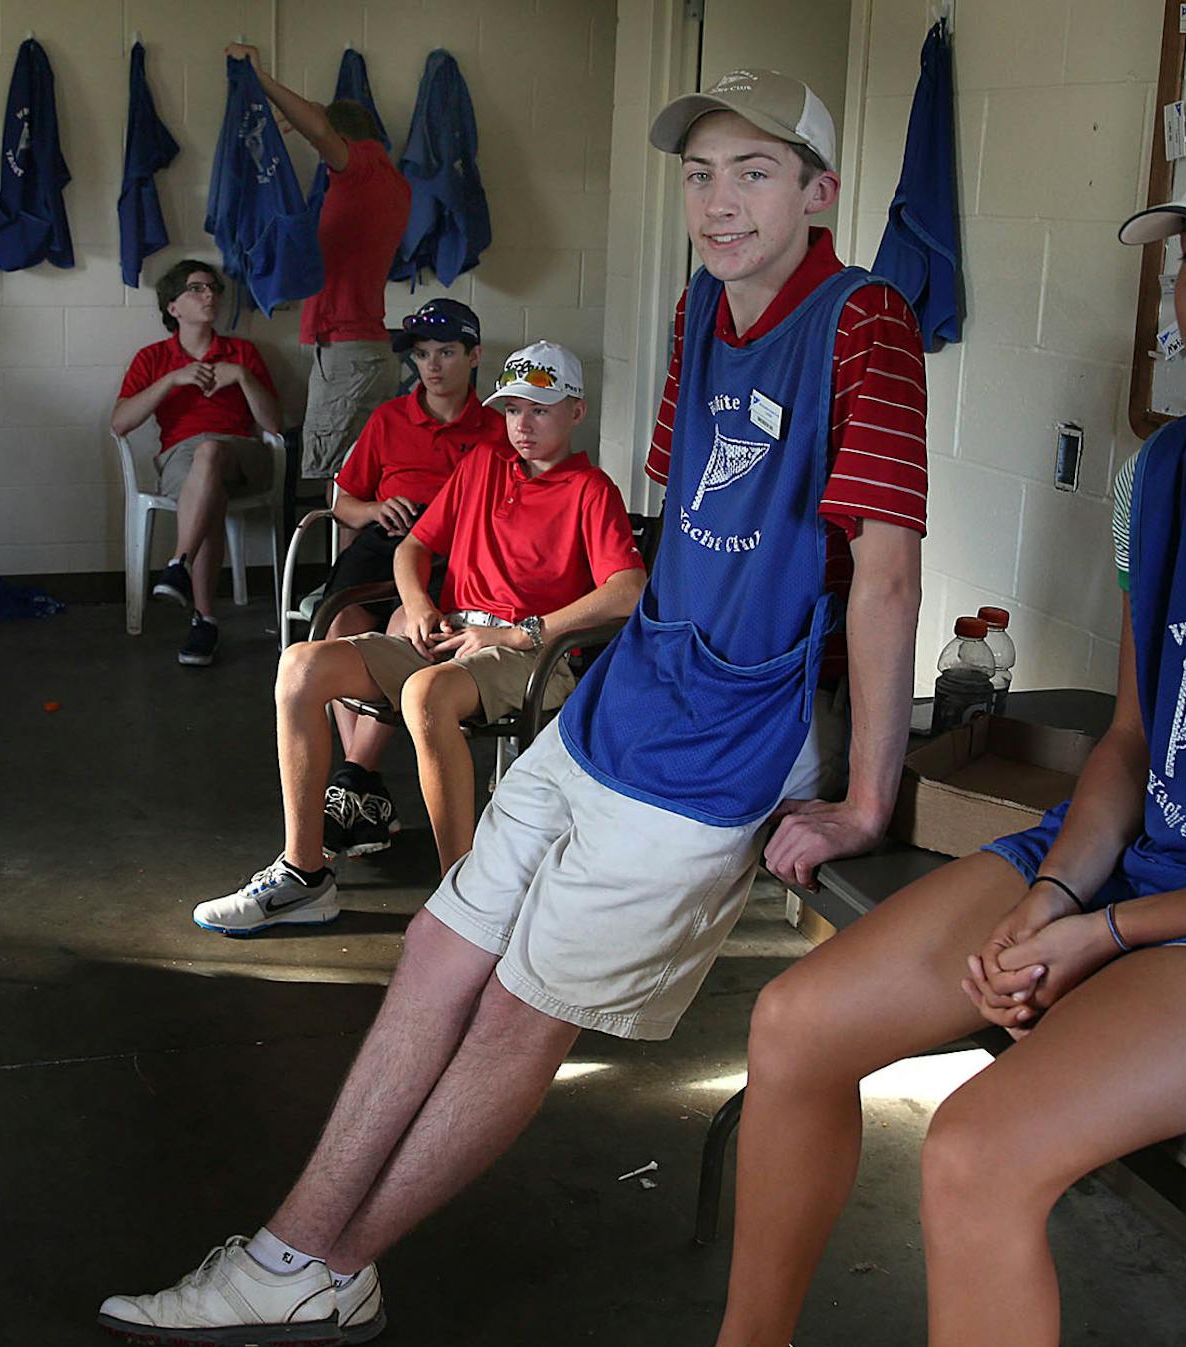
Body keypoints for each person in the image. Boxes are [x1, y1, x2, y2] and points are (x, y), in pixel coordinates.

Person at [97, 69, 925, 1344]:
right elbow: (684, 519)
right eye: (700, 174)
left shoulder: (866, 320)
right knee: (437, 948)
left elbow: (882, 569)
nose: (718, 203)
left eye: (755, 172)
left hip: (721, 742)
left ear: (820, 191)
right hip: (625, 700)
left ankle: (321, 1263)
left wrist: (867, 793)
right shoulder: (701, 302)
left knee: (521, 1012)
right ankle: (292, 1250)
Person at [710, 118, 1186, 1347]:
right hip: (1154, 857)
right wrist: (1058, 891)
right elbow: (1131, 741)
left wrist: (1105, 928)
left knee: (976, 1149)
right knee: (795, 1027)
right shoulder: (1169, 469)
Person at [195, 341, 645, 935]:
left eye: (540, 409)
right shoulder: (483, 464)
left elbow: (629, 590)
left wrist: (522, 631)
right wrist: (419, 604)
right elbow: (414, 546)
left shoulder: (592, 490)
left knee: (425, 695)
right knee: (301, 665)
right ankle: (305, 875)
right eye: (512, 409)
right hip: (450, 635)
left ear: (575, 412)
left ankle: (462, 899)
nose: (522, 425)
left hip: (530, 653)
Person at [318, 298, 503, 857]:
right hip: (384, 541)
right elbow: (342, 500)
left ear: (474, 356)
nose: (434, 366)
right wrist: (374, 511)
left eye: (447, 352)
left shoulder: (499, 425)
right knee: (339, 631)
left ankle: (352, 780)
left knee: (407, 627)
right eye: (422, 354)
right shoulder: (390, 418)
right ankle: (360, 786)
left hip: (453, 549)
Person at [223, 42, 410, 481]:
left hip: (349, 353)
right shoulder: (391, 182)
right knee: (361, 482)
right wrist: (309, 113)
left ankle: (338, 554)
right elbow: (322, 125)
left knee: (336, 485)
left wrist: (262, 80)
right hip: (364, 350)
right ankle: (352, 553)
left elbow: (323, 134)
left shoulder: (361, 171)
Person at [112, 259, 284, 667]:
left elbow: (275, 424)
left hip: (243, 455)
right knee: (208, 486)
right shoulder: (153, 358)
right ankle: (203, 620)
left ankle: (180, 565)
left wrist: (242, 376)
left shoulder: (242, 352)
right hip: (181, 460)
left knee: (211, 453)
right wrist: (172, 380)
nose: (210, 295)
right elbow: (119, 423)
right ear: (173, 307)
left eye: (213, 289)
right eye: (197, 289)